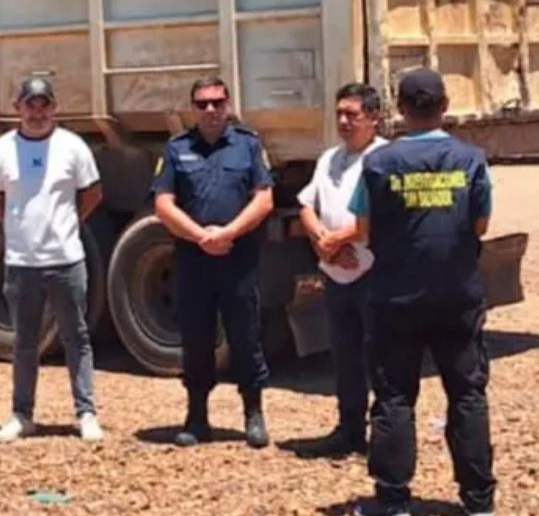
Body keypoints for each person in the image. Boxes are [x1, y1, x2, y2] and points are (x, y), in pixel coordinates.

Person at [349, 68, 496, 516]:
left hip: (396, 297)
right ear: (445, 105)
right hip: (457, 295)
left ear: (399, 108)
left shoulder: (377, 163)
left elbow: (361, 228)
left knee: (394, 397)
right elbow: (481, 224)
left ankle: (393, 501)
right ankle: (478, 502)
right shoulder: (470, 159)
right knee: (467, 395)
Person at [0, 75, 106, 443]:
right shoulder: (1, 150)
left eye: (43, 104)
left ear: (54, 107)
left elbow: (92, 193)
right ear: (17, 107)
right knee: (24, 341)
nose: (37, 112)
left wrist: (68, 224)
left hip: (66, 260)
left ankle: (86, 413)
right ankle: (22, 414)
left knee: (76, 336)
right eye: (30, 104)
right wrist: (19, 229)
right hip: (21, 262)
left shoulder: (73, 147)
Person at [152, 76, 276, 449]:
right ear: (193, 108)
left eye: (217, 103)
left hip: (237, 259)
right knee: (195, 339)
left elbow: (264, 199)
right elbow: (163, 204)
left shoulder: (248, 145)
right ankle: (196, 416)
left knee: (246, 336)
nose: (210, 110)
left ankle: (253, 414)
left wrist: (228, 234)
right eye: (202, 104)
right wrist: (200, 236)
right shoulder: (176, 149)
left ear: (227, 105)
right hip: (193, 261)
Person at [294, 83, 388, 457]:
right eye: (340, 114)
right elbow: (306, 203)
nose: (345, 121)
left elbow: (382, 216)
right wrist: (323, 242)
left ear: (375, 118)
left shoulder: (385, 159)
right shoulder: (329, 158)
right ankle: (349, 429)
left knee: (380, 357)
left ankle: (385, 435)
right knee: (344, 355)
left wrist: (340, 240)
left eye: (353, 114)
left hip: (373, 272)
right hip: (337, 273)